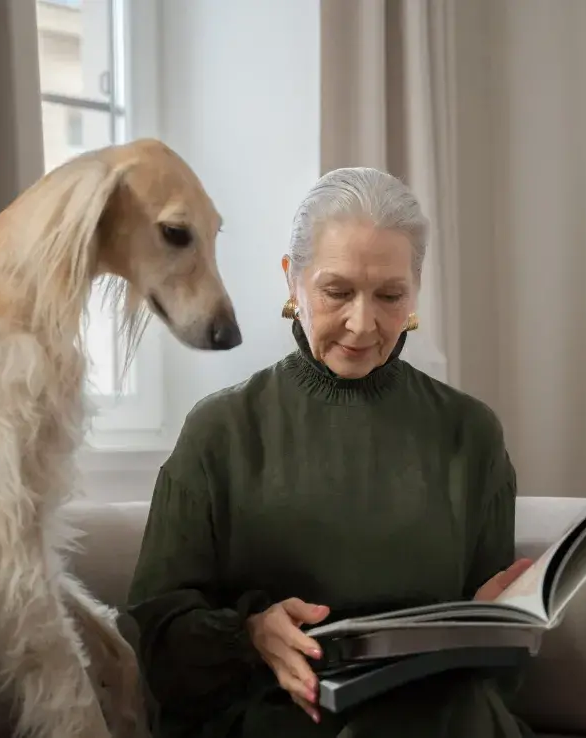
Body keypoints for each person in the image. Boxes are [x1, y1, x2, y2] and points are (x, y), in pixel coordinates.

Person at [126, 167, 535, 738]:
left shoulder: (470, 434)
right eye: (337, 291)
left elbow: (499, 679)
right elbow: (153, 637)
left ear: (416, 290)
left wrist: (498, 628)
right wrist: (249, 636)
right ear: (293, 281)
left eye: (390, 295)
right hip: (275, 716)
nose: (362, 323)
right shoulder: (221, 431)